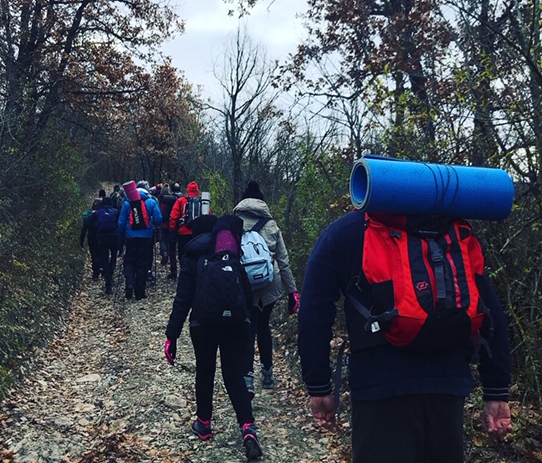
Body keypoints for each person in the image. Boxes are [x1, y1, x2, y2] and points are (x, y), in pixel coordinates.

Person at [298, 208, 513, 463]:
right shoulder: (447, 225)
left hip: (378, 387)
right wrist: (496, 390)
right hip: (448, 386)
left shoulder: (345, 231)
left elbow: (314, 310)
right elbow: (490, 310)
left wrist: (319, 385)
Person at [164, 215, 262, 461]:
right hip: (235, 325)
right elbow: (247, 296)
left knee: (205, 371)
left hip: (202, 324)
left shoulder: (192, 256)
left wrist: (171, 336)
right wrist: (249, 327)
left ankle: (204, 423)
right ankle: (248, 429)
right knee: (233, 375)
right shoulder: (231, 254)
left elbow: (182, 299)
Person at [233, 181, 299, 395]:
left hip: (245, 286)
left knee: (247, 329)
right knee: (264, 327)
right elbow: (284, 260)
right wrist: (292, 293)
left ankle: (247, 377)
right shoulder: (271, 224)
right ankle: (268, 373)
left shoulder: (234, 223)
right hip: (270, 284)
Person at [117, 180, 162, 300]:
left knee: (129, 261)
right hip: (146, 238)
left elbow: (121, 223)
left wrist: (122, 237)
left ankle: (129, 284)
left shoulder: (127, 203)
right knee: (143, 263)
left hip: (130, 237)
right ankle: (140, 292)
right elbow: (158, 219)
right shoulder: (151, 202)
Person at [88, 196, 119, 295]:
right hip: (114, 237)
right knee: (113, 256)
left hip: (102, 238)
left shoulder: (98, 212)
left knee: (104, 259)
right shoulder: (116, 211)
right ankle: (111, 270)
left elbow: (88, 221)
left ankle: (108, 283)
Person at [169, 181, 201, 265]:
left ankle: (184, 271)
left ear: (187, 190)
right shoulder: (203, 202)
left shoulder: (181, 200)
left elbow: (173, 216)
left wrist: (172, 230)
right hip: (198, 234)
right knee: (196, 254)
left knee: (183, 254)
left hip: (183, 233)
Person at [159, 183, 182, 278]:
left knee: (166, 243)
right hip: (181, 227)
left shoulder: (168, 199)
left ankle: (173, 271)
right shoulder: (183, 199)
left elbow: (164, 214)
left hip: (169, 226)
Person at [80, 198, 103, 281]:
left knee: (94, 255)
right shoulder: (103, 214)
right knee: (101, 253)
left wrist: (81, 240)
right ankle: (101, 268)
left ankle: (95, 273)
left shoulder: (89, 215)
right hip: (101, 237)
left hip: (91, 237)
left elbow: (84, 228)